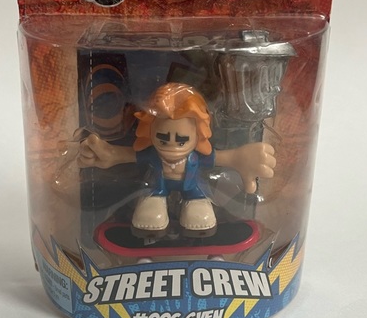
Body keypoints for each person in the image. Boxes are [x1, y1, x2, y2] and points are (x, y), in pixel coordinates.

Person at [78, 83, 276, 237]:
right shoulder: (152, 155)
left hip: (193, 189)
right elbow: (129, 155)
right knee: (150, 215)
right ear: (150, 130)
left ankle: (196, 217)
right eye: (163, 140)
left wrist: (242, 157)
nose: (172, 148)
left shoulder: (195, 157)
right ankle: (153, 216)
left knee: (199, 216)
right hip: (157, 188)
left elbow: (223, 158)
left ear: (198, 135)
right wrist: (110, 154)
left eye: (181, 141)